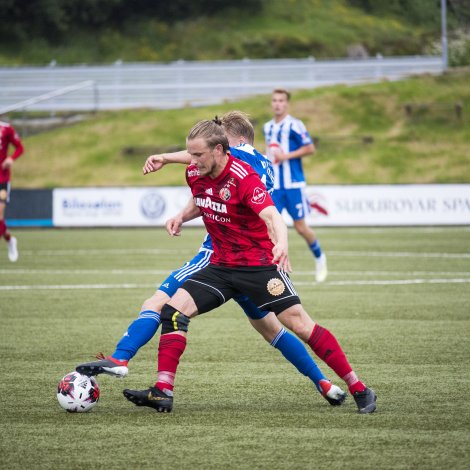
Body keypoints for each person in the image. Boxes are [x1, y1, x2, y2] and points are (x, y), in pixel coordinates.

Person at [76, 111, 346, 406]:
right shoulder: (261, 162)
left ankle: (120, 358)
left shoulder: (238, 158)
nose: (197, 157)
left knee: (158, 302)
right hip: (252, 259)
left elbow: (199, 154)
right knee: (272, 330)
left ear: (234, 142)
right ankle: (324, 384)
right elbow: (203, 180)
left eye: (219, 141)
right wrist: (178, 201)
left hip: (220, 255)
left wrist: (166, 157)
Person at [263, 89, 327, 283]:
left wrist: (286, 156)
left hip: (293, 185)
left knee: (300, 227)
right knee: (269, 226)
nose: (277, 104)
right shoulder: (268, 127)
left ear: (287, 104)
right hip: (275, 186)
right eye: (274, 100)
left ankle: (320, 258)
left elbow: (310, 148)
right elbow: (270, 153)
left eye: (281, 100)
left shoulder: (295, 125)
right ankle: (273, 269)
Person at [0, 118, 24, 262]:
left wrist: (11, 158)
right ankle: (9, 239)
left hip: (2, 180)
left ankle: (10, 242)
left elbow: (20, 147)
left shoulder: (6, 129)